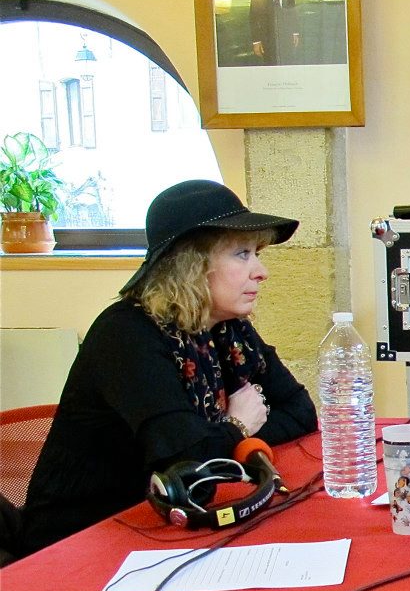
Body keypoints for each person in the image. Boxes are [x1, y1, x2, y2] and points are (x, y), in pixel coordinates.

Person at [17, 180, 318, 556]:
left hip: (159, 527)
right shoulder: (127, 334)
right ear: (192, 266)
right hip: (79, 542)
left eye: (256, 253)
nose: (261, 271)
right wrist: (237, 427)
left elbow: (300, 412)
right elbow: (188, 470)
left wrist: (220, 440)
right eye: (242, 254)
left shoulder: (226, 327)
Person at [249, 0, 301, 66]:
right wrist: (256, 41)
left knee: (288, 60)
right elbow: (254, 15)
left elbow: (292, 8)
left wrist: (295, 32)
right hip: (267, 37)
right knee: (270, 62)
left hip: (286, 35)